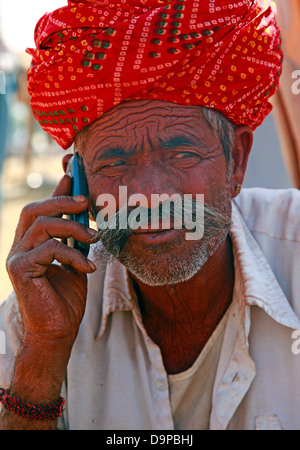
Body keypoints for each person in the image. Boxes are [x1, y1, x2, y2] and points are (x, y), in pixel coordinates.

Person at [1, 0, 300, 431]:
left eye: (181, 153)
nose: (148, 196)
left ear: (236, 159)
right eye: (115, 163)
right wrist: (45, 352)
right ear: (77, 182)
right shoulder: (37, 317)